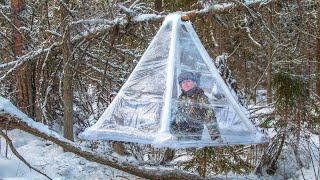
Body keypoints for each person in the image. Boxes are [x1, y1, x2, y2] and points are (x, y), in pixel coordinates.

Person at [171, 71, 220, 141]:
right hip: (178, 135)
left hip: (192, 136)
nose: (186, 84)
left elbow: (210, 118)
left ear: (194, 83)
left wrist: (216, 138)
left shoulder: (200, 97)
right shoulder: (181, 98)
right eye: (183, 82)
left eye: (188, 81)